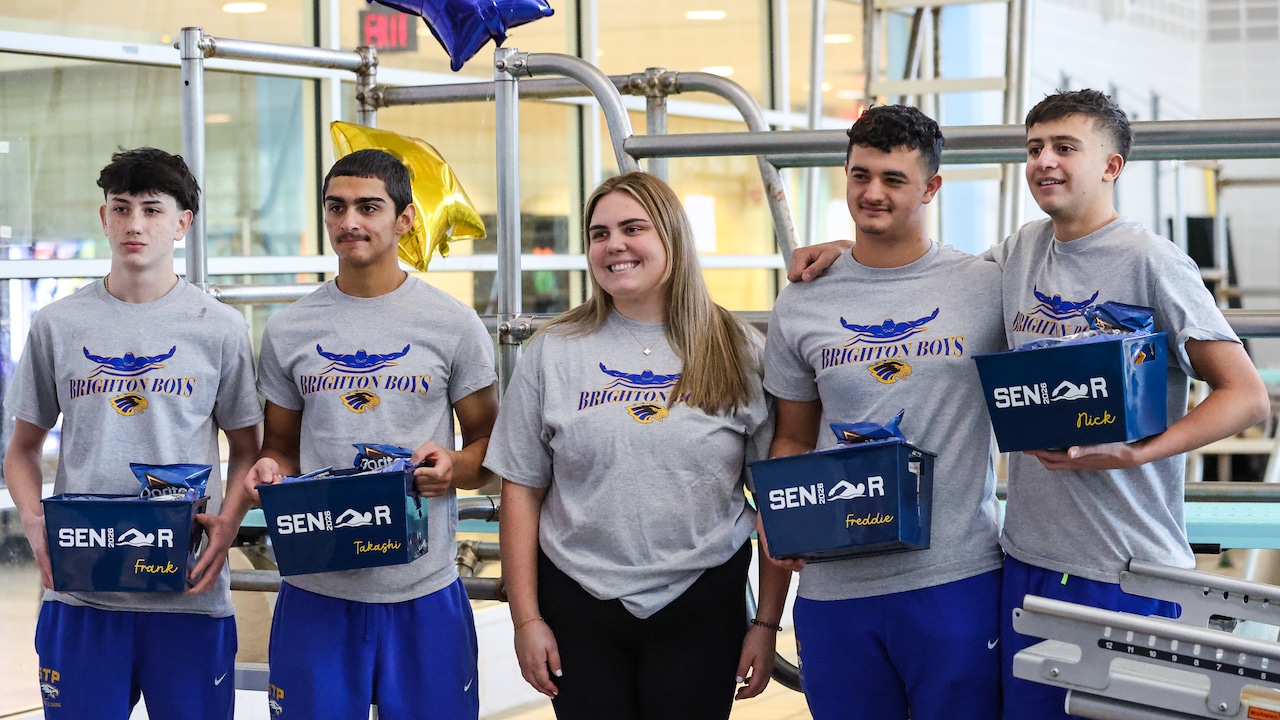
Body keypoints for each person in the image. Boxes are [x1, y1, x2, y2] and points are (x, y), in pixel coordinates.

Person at [790, 90, 1271, 720]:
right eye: (1035, 148)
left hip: (1128, 567)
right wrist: (846, 251)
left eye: (1065, 147)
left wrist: (1138, 452)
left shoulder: (1152, 260)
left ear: (1111, 166)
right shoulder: (1018, 253)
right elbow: (922, 272)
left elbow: (1246, 395)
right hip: (1027, 565)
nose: (1045, 161)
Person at [485, 171, 778, 720]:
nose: (613, 244)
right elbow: (521, 490)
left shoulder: (738, 350)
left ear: (671, 237)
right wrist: (526, 620)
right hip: (579, 599)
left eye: (632, 228)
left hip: (702, 598)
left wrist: (765, 623)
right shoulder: (553, 353)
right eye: (598, 234)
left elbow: (775, 500)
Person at [757, 105, 1006, 720]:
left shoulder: (985, 286)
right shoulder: (805, 299)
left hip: (957, 579)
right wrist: (774, 518)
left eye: (894, 180)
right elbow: (791, 436)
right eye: (860, 175)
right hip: (835, 587)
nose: (872, 193)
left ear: (931, 187)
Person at [4, 147, 263, 719]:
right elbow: (21, 449)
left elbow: (248, 449)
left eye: (152, 209)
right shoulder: (58, 325)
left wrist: (228, 526)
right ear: (103, 219)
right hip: (83, 596)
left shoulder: (219, 329)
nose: (135, 225)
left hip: (187, 596)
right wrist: (33, 521)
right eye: (121, 209)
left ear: (182, 223)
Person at [244, 148, 499, 720]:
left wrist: (451, 469)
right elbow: (279, 447)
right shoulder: (289, 330)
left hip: (423, 591)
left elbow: (490, 449)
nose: (349, 222)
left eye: (368, 207)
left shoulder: (452, 324)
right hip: (319, 588)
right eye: (336, 207)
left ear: (404, 219)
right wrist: (269, 471)